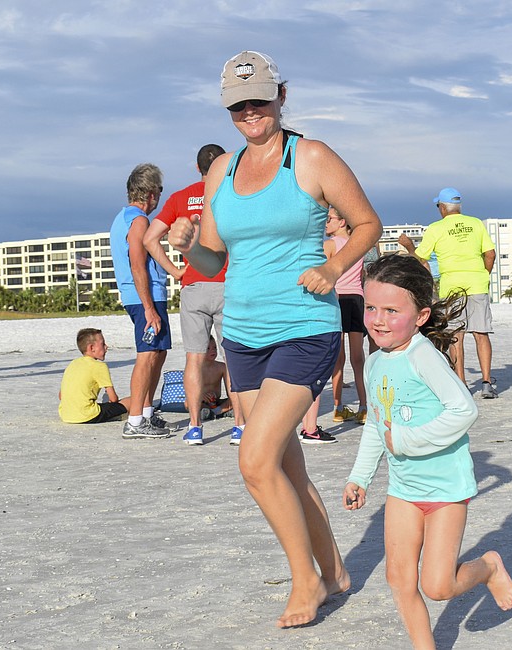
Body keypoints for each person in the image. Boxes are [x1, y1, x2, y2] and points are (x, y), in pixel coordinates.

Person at [167, 50, 382, 627]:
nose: (249, 112)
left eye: (259, 99)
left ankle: (304, 581)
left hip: (304, 327)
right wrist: (190, 243)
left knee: (256, 462)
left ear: (281, 96)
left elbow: (368, 224)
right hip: (241, 333)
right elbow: (215, 252)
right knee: (287, 470)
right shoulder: (221, 171)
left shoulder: (308, 157)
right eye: (238, 105)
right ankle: (335, 571)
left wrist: (335, 272)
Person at [343, 255, 512, 649]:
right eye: (371, 308)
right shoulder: (373, 363)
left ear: (420, 316)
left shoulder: (423, 355)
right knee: (400, 582)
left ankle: (488, 567)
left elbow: (464, 410)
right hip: (403, 492)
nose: (378, 319)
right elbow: (376, 424)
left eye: (391, 310)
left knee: (438, 586)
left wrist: (405, 441)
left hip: (445, 491)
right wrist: (360, 476)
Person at [145, 144, 246, 446]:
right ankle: (239, 426)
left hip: (193, 286)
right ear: (225, 165)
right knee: (233, 360)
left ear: (197, 167)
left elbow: (150, 238)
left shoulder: (179, 198)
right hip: (228, 283)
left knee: (194, 359)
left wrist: (174, 272)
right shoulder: (233, 193)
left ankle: (194, 427)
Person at [398, 188, 498, 398]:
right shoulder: (476, 223)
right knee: (481, 334)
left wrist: (409, 246)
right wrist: (483, 274)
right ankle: (487, 383)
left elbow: (421, 258)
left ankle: (461, 384)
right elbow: (490, 254)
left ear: (442, 207)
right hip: (477, 283)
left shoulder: (436, 228)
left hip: (452, 286)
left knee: (455, 336)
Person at [109, 163, 172, 440]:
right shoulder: (138, 221)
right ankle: (135, 420)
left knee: (158, 353)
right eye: (159, 189)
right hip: (144, 297)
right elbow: (137, 264)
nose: (160, 195)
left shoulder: (122, 218)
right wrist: (149, 308)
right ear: (149, 193)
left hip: (142, 296)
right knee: (147, 355)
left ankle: (145, 412)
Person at [324, 206, 367, 424]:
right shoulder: (356, 244)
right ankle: (364, 406)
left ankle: (338, 406)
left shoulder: (330, 245)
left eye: (329, 218)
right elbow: (361, 275)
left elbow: (322, 273)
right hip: (357, 299)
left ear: (342, 221)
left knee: (337, 360)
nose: (325, 223)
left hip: (338, 299)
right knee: (358, 359)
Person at [59, 328, 130, 424]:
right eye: (103, 344)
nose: (106, 347)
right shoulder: (99, 366)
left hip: (65, 415)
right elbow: (113, 399)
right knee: (133, 401)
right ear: (92, 348)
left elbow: (61, 396)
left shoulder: (73, 363)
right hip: (87, 415)